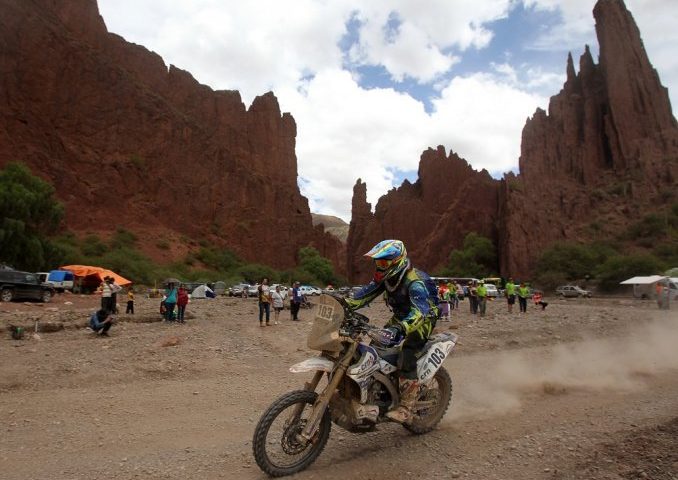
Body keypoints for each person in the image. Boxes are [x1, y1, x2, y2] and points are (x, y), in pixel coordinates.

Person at [345, 239, 439, 424]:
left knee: (407, 353)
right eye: (378, 262)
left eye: (383, 262)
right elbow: (364, 295)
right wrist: (344, 304)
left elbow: (419, 312)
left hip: (423, 319)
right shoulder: (387, 278)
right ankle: (381, 389)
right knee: (376, 346)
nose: (379, 266)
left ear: (397, 261)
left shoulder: (415, 282)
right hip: (401, 315)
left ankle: (406, 406)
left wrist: (400, 328)